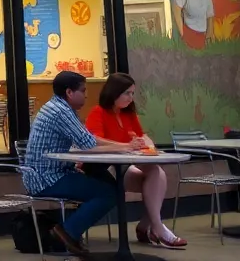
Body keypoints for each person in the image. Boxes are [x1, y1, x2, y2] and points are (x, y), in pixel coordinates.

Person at [22, 71, 147, 258]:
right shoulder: (61, 112)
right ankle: (67, 232)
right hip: (46, 178)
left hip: (51, 173)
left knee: (111, 187)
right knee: (110, 192)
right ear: (69, 92)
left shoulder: (58, 107)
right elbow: (88, 146)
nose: (87, 94)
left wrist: (125, 146)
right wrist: (126, 147)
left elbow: (89, 139)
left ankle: (69, 231)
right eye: (83, 90)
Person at [86, 74, 186, 249]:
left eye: (132, 93)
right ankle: (156, 228)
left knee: (156, 172)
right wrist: (127, 145)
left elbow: (141, 136)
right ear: (114, 92)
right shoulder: (98, 112)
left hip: (126, 165)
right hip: (105, 168)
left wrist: (148, 145)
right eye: (127, 93)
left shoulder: (128, 114)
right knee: (156, 175)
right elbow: (94, 140)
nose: (130, 98)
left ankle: (150, 225)